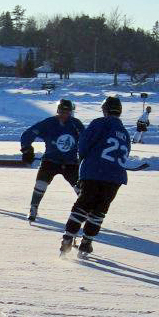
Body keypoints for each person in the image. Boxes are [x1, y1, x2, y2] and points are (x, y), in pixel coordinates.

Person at [61, 96, 131, 258]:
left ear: (105, 110)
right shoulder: (124, 132)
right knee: (100, 210)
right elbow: (126, 153)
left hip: (94, 172)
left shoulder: (99, 123)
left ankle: (67, 238)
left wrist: (84, 159)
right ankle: (86, 243)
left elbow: (84, 145)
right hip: (115, 177)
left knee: (83, 205)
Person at [20, 99, 85, 221]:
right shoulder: (49, 123)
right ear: (57, 111)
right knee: (40, 183)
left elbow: (86, 140)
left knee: (80, 188)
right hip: (50, 160)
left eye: (66, 112)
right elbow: (28, 134)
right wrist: (27, 149)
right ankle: (33, 208)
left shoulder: (76, 124)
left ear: (71, 112)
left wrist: (85, 156)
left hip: (70, 163)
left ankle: (86, 211)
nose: (63, 115)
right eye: (61, 111)